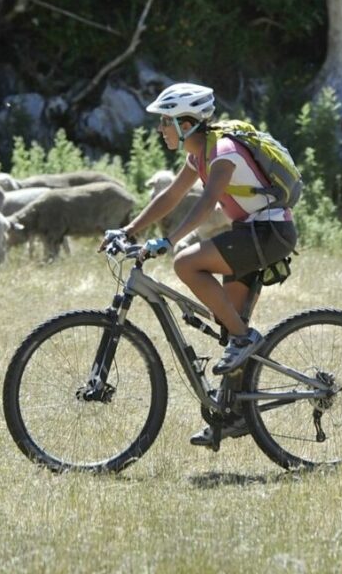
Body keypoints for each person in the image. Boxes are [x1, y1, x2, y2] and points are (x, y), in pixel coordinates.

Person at [105, 82, 297, 448]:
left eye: (165, 122)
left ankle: (244, 338)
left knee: (187, 263)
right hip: (252, 231)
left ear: (187, 123)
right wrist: (129, 230)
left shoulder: (223, 152)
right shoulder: (199, 155)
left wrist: (169, 240)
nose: (160, 129)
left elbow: (208, 202)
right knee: (230, 326)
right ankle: (232, 416)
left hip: (269, 232)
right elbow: (171, 195)